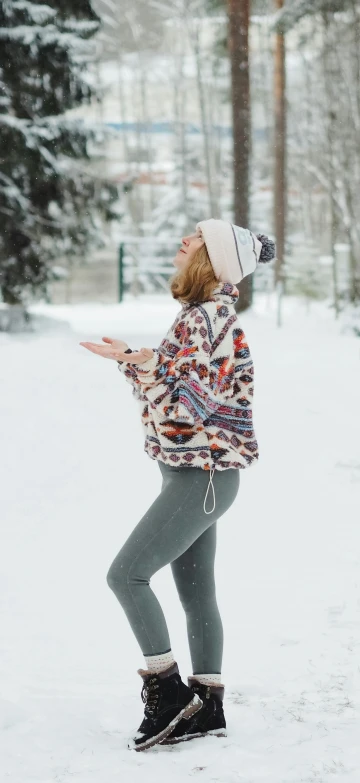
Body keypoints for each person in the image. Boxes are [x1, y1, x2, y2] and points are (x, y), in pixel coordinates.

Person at [80, 219, 275, 752]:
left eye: (194, 238)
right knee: (196, 592)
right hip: (200, 475)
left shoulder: (208, 317)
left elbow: (189, 402)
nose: (182, 241)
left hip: (201, 476)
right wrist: (140, 360)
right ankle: (208, 705)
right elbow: (178, 381)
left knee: (126, 575)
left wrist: (137, 362)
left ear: (209, 258)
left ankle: (166, 691)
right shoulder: (202, 314)